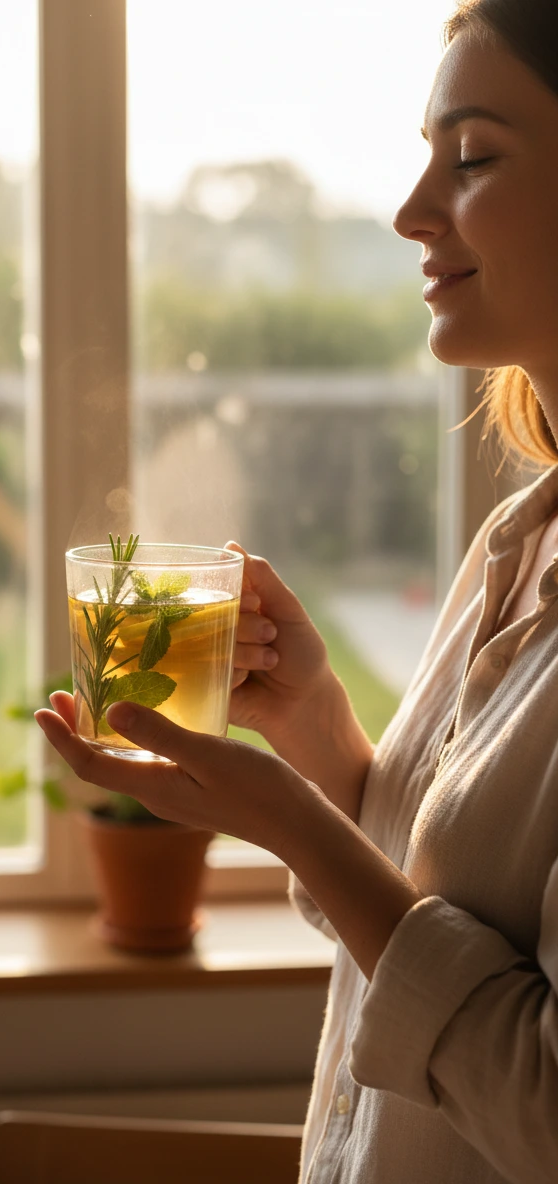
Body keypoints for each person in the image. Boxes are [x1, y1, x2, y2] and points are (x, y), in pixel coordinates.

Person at [36, 1, 558, 1180]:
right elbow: (437, 907)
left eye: (472, 157)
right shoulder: (514, 548)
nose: (411, 209)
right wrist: (325, 746)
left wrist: (279, 816)